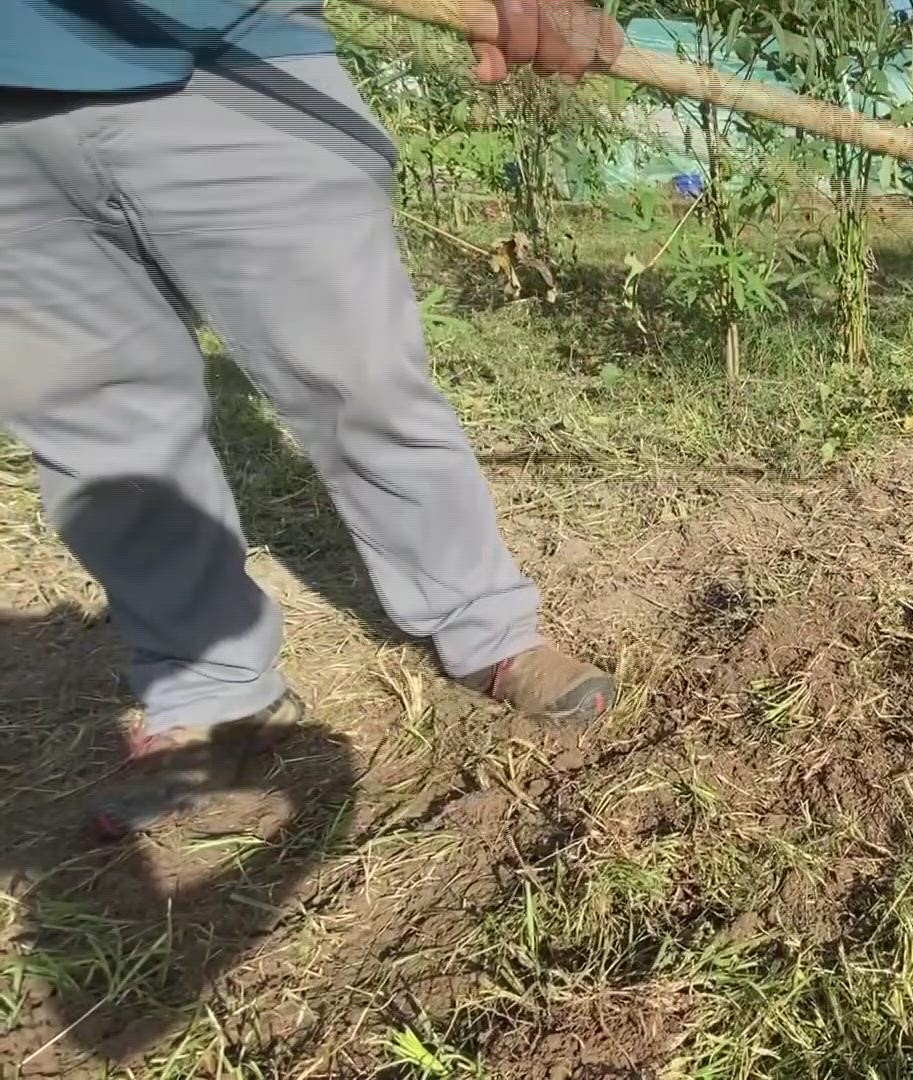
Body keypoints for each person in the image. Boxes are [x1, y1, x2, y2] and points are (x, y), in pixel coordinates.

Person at [0, 2, 630, 792]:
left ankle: (488, 628)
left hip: (230, 59)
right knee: (93, 422)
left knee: (360, 372)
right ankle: (210, 686)